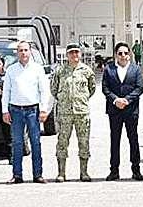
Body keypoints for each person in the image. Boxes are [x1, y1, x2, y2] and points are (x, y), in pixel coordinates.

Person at [3, 40, 51, 184]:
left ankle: (38, 174)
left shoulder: (38, 69)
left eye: (25, 50)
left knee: (35, 142)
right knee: (17, 143)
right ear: (17, 53)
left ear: (30, 52)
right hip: (15, 110)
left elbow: (44, 90)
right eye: (21, 50)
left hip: (33, 110)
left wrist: (44, 109)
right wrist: (5, 111)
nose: (23, 53)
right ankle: (17, 175)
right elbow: (6, 91)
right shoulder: (11, 70)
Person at [51, 43, 96, 182]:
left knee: (84, 142)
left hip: (82, 112)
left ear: (80, 54)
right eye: (71, 52)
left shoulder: (87, 71)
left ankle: (84, 172)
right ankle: (61, 173)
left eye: (76, 52)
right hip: (65, 113)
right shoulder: (60, 71)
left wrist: (81, 100)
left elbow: (92, 89)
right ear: (67, 55)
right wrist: (64, 100)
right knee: (62, 142)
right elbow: (54, 89)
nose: (74, 55)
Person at [103, 41, 143, 181]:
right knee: (115, 140)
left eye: (125, 53)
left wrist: (126, 100)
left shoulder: (136, 69)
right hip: (114, 110)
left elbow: (139, 88)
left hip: (131, 110)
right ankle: (114, 171)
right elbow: (105, 88)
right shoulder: (109, 69)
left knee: (133, 140)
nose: (123, 55)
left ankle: (136, 170)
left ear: (129, 54)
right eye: (120, 53)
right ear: (116, 55)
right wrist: (116, 100)